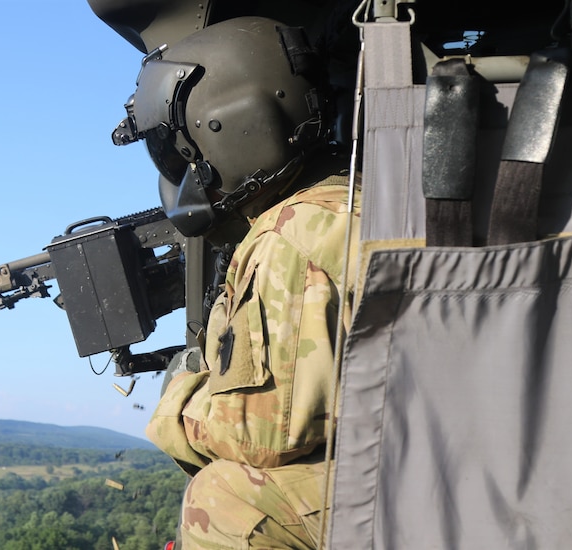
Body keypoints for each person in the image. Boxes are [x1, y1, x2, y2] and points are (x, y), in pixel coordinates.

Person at [109, 14, 361, 549]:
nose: (182, 167)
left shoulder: (294, 233)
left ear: (234, 125)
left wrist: (177, 397)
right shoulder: (344, 200)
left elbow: (266, 430)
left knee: (225, 502)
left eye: (183, 149)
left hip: (412, 475)